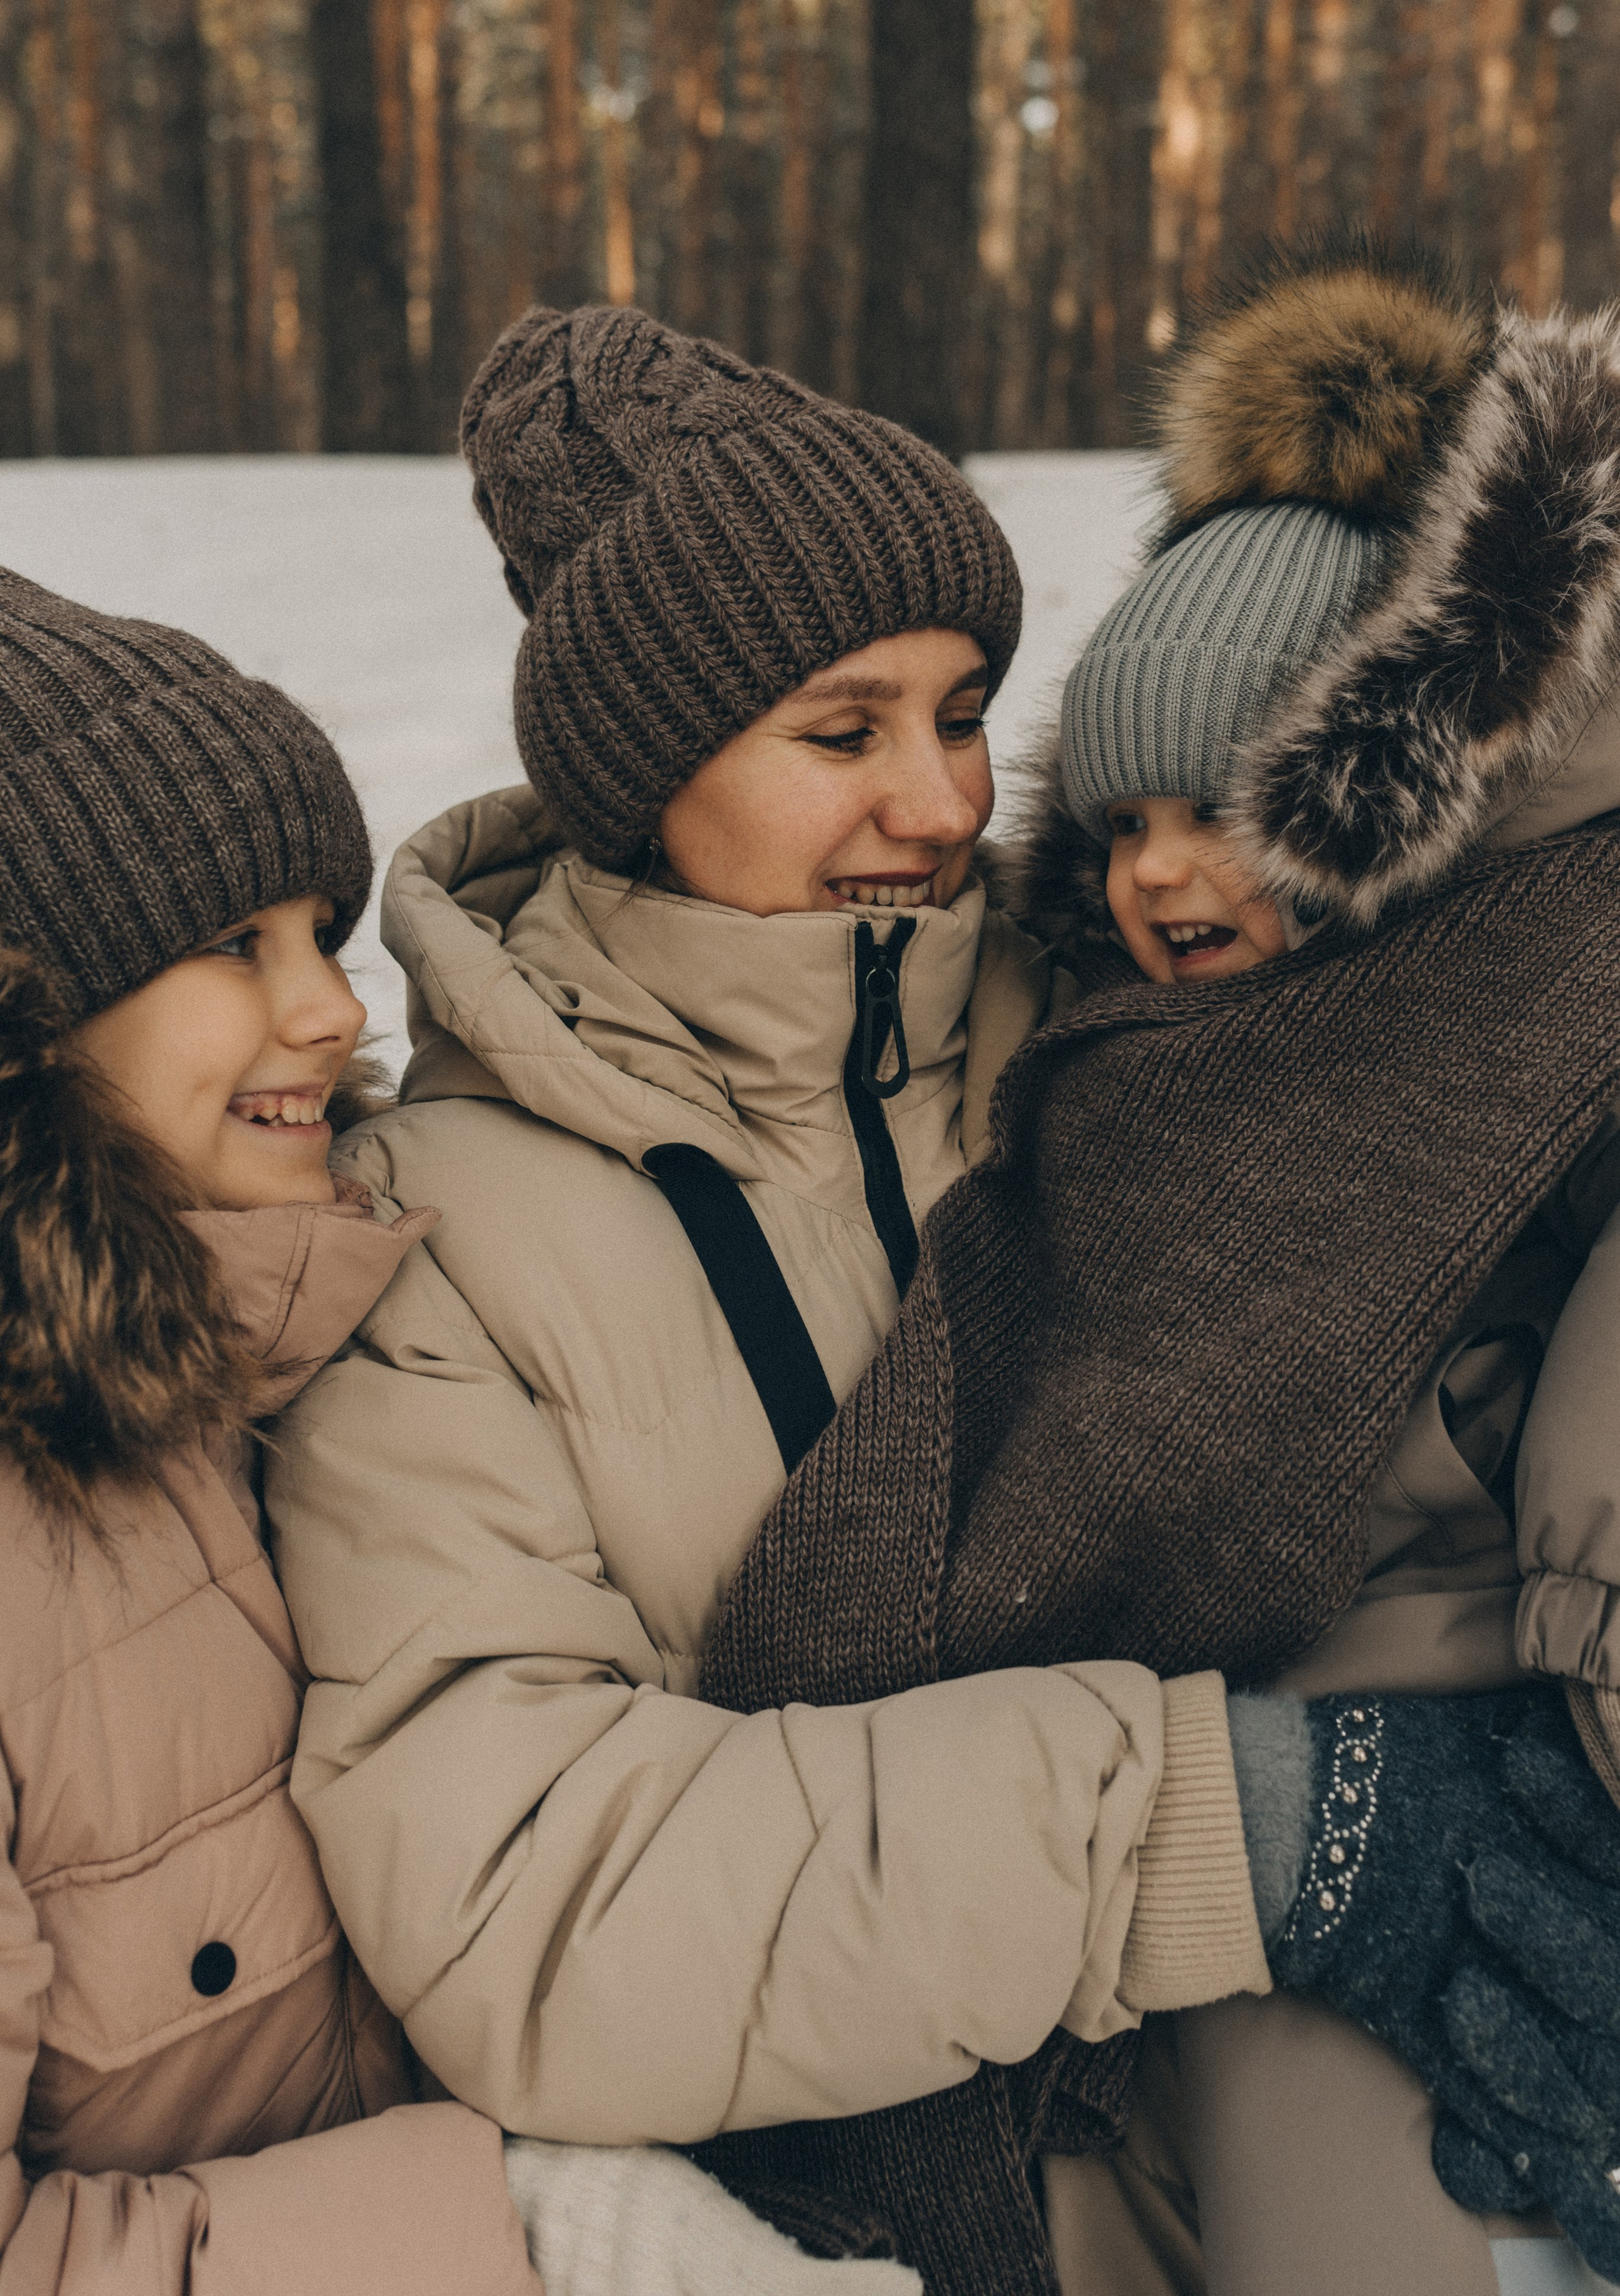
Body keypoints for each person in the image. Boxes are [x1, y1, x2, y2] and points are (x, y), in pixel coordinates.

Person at [266, 290, 1620, 2296]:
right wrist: (1253, 1829)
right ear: (645, 774)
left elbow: (1512, 894)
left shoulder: (1131, 1021)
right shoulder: (436, 1243)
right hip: (926, 2212)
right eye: (843, 733)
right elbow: (529, 1908)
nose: (945, 804)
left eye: (969, 710)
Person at [0, 568, 919, 2296]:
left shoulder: (273, 1353)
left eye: (321, 937)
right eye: (231, 947)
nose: (338, 1014)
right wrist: (529, 2230)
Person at [1002, 239, 1620, 2296]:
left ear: (1369, 794)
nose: (1156, 875)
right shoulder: (1117, 1066)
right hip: (1237, 1778)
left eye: (1215, 812)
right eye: (1115, 825)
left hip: (1495, 1728)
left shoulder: (1513, 1034)